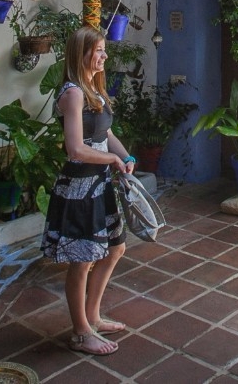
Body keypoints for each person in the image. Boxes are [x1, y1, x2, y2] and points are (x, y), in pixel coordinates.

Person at [40, 25, 136, 355]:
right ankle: (81, 332)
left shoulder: (93, 89)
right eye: (98, 51)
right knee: (82, 260)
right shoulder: (73, 94)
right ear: (82, 54)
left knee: (114, 249)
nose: (104, 56)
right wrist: (110, 159)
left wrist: (125, 156)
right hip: (79, 187)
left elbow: (105, 134)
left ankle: (93, 316)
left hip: (99, 186)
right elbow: (76, 149)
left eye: (104, 50)